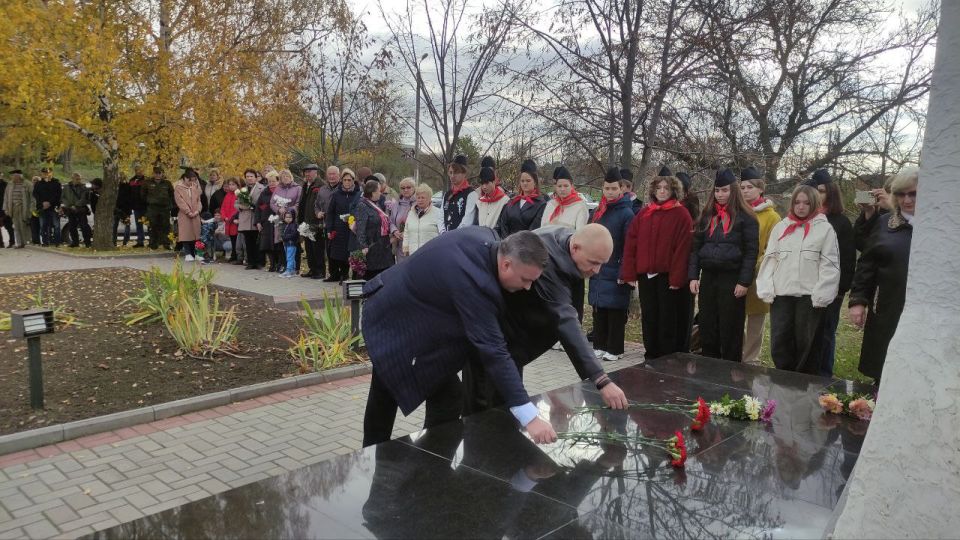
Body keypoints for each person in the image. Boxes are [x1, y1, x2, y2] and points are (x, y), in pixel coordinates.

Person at [360, 228, 559, 447]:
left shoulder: (489, 240)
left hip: (419, 320)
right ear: (506, 264)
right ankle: (375, 452)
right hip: (393, 323)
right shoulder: (475, 281)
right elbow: (493, 350)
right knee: (387, 393)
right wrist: (529, 417)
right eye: (525, 279)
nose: (528, 287)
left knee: (448, 398)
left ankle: (428, 458)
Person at [463, 224, 630, 415]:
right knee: (485, 411)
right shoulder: (548, 261)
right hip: (494, 343)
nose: (597, 270)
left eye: (602, 263)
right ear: (575, 248)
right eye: (593, 262)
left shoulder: (567, 242)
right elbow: (565, 320)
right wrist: (601, 380)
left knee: (504, 406)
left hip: (511, 343)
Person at [756, 185, 840, 374]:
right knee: (780, 340)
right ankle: (782, 380)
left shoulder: (825, 229)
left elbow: (830, 264)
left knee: (807, 343)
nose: (801, 207)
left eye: (806, 203)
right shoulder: (781, 227)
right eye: (797, 202)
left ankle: (804, 383)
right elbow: (770, 259)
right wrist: (766, 287)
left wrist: (822, 294)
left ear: (815, 204)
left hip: (809, 297)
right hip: (782, 294)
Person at [847, 167, 917, 383]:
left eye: (913, 194)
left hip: (923, 308)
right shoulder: (884, 223)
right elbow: (867, 264)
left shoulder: (940, 227)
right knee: (884, 363)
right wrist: (858, 301)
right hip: (887, 305)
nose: (907, 200)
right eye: (901, 194)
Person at [620, 167, 693, 360]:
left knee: (667, 318)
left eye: (666, 188)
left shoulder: (681, 214)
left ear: (673, 190)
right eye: (658, 187)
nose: (662, 191)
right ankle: (651, 353)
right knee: (650, 315)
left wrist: (677, 278)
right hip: (646, 275)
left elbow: (683, 249)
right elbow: (631, 243)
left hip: (667, 276)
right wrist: (629, 273)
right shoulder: (645, 213)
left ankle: (666, 356)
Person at [688, 168, 759, 362]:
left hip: (732, 278)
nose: (720, 194)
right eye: (717, 190)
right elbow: (696, 248)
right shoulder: (706, 216)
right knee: (708, 324)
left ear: (733, 191)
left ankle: (730, 368)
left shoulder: (747, 218)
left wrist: (744, 282)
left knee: (731, 327)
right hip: (709, 276)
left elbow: (751, 252)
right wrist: (693, 276)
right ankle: (709, 365)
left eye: (725, 190)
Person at [810, 169, 856, 376]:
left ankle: (823, 375)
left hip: (831, 288)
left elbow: (847, 259)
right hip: (806, 285)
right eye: (814, 191)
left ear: (831, 193)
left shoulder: (840, 222)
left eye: (821, 191)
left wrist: (840, 289)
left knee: (826, 333)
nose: (817, 195)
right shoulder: (805, 220)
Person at [588, 167, 636, 361]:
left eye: (614, 188)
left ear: (621, 189)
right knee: (599, 307)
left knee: (615, 309)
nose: (609, 192)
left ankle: (615, 349)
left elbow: (629, 246)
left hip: (616, 266)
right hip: (598, 266)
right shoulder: (598, 211)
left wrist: (624, 271)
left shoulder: (627, 214)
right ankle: (599, 344)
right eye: (606, 188)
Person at [739, 167, 781, 365]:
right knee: (736, 317)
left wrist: (755, 265)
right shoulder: (737, 211)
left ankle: (750, 359)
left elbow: (772, 248)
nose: (745, 191)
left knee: (756, 320)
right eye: (742, 188)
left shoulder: (772, 217)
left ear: (760, 189)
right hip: (736, 272)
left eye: (750, 187)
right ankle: (736, 354)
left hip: (758, 274)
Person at [325, 168, 361, 281]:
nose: (347, 182)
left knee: (351, 252)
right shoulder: (336, 194)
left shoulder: (359, 194)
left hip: (353, 228)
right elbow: (330, 212)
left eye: (349, 180)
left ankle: (352, 276)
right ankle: (341, 274)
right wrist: (329, 229)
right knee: (338, 253)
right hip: (339, 227)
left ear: (353, 180)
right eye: (345, 180)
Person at [355, 179, 396, 280]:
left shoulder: (375, 204)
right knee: (372, 276)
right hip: (371, 247)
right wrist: (363, 246)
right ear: (373, 193)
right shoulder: (362, 205)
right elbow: (360, 228)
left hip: (382, 246)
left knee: (384, 275)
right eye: (378, 190)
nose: (380, 193)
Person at [497, 159, 546, 237]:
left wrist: (517, 243)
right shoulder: (511, 201)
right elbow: (503, 224)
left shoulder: (541, 204)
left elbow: (534, 231)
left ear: (535, 182)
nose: (525, 183)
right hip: (507, 242)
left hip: (527, 243)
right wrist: (506, 242)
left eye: (528, 181)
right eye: (522, 181)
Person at [298, 164, 325, 278]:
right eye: (306, 172)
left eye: (310, 172)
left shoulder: (321, 185)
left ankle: (320, 271)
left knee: (317, 248)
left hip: (316, 221)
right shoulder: (305, 185)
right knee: (309, 247)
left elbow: (321, 203)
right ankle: (312, 269)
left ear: (316, 172)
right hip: (306, 220)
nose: (307, 174)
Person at [403, 183, 444, 256]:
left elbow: (442, 234)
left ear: (429, 198)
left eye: (423, 198)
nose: (420, 200)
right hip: (413, 254)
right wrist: (406, 248)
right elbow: (406, 231)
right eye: (418, 198)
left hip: (431, 254)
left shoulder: (438, 213)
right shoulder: (411, 212)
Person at [314, 165, 341, 278]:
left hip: (339, 225)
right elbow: (316, 205)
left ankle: (341, 274)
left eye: (334, 174)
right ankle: (333, 274)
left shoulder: (342, 188)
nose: (331, 176)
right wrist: (318, 213)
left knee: (338, 250)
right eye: (329, 174)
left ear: (339, 175)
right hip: (326, 224)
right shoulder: (322, 189)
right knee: (329, 250)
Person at [541, 166, 588, 230]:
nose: (562, 189)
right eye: (559, 186)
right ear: (556, 187)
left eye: (566, 186)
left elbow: (580, 232)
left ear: (572, 186)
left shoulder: (580, 206)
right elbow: (542, 228)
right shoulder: (550, 204)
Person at [237, 169, 264, 269]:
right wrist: (241, 206)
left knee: (257, 241)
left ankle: (259, 262)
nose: (249, 178)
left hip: (256, 217)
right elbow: (236, 203)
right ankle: (250, 262)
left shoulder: (262, 188)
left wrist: (255, 206)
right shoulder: (242, 189)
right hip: (245, 218)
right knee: (248, 241)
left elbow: (264, 203)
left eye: (251, 176)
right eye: (247, 176)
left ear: (256, 178)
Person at [442, 154, 478, 231]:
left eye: (456, 172)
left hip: (461, 236)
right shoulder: (447, 194)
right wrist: (442, 232)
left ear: (464, 174)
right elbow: (441, 216)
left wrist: (454, 234)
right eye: (450, 172)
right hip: (445, 236)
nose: (452, 176)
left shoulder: (471, 194)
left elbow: (468, 220)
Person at [142, 166, 174, 250]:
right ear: (153, 174)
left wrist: (169, 204)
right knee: (153, 226)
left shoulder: (167, 183)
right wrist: (149, 201)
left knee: (166, 226)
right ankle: (153, 244)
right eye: (156, 173)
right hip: (152, 208)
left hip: (164, 208)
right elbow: (143, 195)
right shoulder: (147, 183)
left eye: (159, 173)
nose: (158, 175)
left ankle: (166, 244)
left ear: (162, 174)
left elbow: (172, 195)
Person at [174, 168, 203, 260]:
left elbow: (199, 200)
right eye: (189, 180)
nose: (191, 182)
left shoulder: (195, 186)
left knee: (196, 234)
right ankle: (188, 253)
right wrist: (188, 211)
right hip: (185, 214)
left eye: (193, 180)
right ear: (185, 178)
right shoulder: (178, 188)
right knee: (185, 234)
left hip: (195, 213)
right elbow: (180, 202)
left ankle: (198, 253)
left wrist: (198, 210)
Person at [256, 171, 281, 271]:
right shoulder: (264, 192)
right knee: (267, 244)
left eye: (273, 181)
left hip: (278, 221)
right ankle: (272, 264)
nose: (271, 183)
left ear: (278, 181)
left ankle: (279, 264)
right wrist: (258, 222)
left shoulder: (281, 191)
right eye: (269, 181)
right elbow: (258, 207)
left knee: (277, 243)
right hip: (266, 221)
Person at [60, 173, 93, 248]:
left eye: (80, 179)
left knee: (84, 226)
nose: (79, 180)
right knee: (72, 226)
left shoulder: (83, 187)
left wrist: (76, 205)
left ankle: (87, 243)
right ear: (72, 179)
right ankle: (75, 242)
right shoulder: (66, 187)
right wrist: (69, 205)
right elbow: (63, 197)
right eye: (77, 179)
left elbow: (84, 198)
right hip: (70, 209)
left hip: (80, 209)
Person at [2, 170, 33, 248]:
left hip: (24, 207)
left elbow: (33, 198)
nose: (12, 177)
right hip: (13, 207)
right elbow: (6, 197)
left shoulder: (28, 184)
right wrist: (5, 208)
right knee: (16, 226)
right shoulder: (10, 184)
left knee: (23, 225)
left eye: (13, 176)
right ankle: (19, 243)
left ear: (19, 176)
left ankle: (25, 242)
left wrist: (32, 208)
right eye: (12, 176)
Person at [389, 178, 416, 263]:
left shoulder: (418, 203)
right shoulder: (396, 204)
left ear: (414, 188)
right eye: (403, 188)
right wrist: (394, 231)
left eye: (408, 187)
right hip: (399, 243)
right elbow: (391, 221)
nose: (405, 190)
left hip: (413, 243)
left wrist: (407, 232)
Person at [34, 167, 62, 246]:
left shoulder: (56, 182)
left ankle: (57, 243)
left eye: (47, 173)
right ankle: (45, 242)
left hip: (54, 207)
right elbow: (35, 195)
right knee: (43, 225)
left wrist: (49, 203)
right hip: (42, 207)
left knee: (56, 225)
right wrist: (42, 203)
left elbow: (58, 194)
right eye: (44, 173)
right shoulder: (38, 184)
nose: (46, 174)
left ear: (51, 173)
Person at [219, 177, 241, 263]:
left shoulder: (239, 194)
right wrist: (224, 217)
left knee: (236, 239)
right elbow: (223, 207)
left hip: (234, 221)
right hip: (228, 221)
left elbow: (237, 209)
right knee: (232, 238)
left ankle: (236, 255)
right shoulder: (227, 195)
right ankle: (233, 255)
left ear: (237, 185)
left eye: (233, 184)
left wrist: (230, 218)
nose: (231, 186)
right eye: (230, 185)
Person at [127, 165, 148, 247]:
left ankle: (152, 241)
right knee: (139, 225)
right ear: (135, 171)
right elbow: (129, 194)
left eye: (140, 170)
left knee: (149, 224)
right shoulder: (132, 181)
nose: (139, 172)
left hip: (146, 206)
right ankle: (140, 241)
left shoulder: (147, 180)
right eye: (137, 170)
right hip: (136, 207)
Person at [114, 172, 135, 246]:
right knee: (124, 225)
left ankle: (119, 242)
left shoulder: (117, 186)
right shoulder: (127, 186)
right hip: (122, 208)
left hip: (121, 208)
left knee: (120, 225)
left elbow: (130, 197)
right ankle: (124, 242)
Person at [279, 209, 299, 278]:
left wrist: (284, 237)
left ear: (293, 217)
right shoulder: (286, 225)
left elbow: (294, 234)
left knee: (289, 257)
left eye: (290, 217)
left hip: (291, 244)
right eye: (286, 217)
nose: (288, 219)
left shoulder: (294, 225)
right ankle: (293, 270)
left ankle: (289, 270)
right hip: (286, 244)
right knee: (290, 257)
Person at [0, 173, 13, 247]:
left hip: (5, 207)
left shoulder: (6, 184)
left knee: (8, 226)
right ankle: (1, 243)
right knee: (8, 226)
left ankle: (12, 241)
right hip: (3, 207)